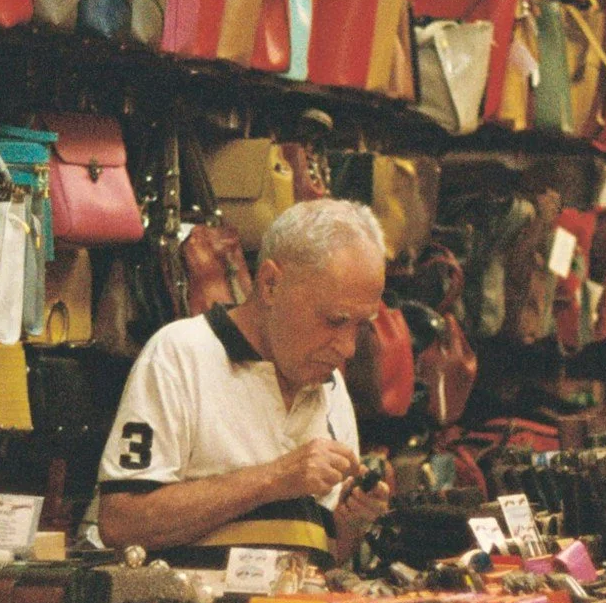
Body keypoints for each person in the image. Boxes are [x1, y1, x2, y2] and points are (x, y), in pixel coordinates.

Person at [94, 199, 395, 565]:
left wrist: (352, 520)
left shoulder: (331, 386)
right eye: (335, 321)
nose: (348, 349)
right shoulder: (180, 354)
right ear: (270, 284)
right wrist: (274, 479)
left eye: (360, 326)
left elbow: (328, 559)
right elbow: (120, 521)